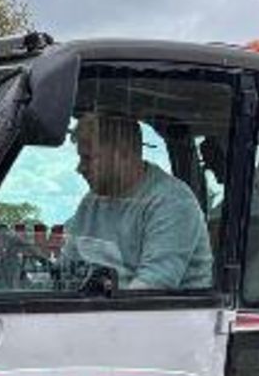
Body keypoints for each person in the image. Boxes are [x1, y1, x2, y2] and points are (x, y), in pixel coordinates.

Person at [62, 111, 212, 290]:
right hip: (100, 311)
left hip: (162, 315)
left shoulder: (171, 202)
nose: (80, 168)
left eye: (88, 158)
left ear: (123, 154)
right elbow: (68, 267)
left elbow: (152, 287)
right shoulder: (92, 202)